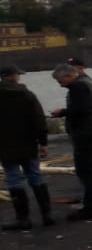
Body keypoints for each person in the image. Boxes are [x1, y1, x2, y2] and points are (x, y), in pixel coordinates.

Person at [0, 65, 52, 231]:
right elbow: (39, 119)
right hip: (28, 144)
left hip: (6, 146)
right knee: (36, 177)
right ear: (13, 76)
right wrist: (43, 142)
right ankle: (47, 215)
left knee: (14, 180)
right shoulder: (27, 95)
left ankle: (23, 219)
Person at [52, 63, 92, 221]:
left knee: (86, 171)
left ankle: (90, 208)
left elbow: (80, 109)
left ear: (69, 76)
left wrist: (62, 112)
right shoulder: (89, 82)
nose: (60, 85)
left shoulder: (78, 86)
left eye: (60, 81)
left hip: (86, 133)